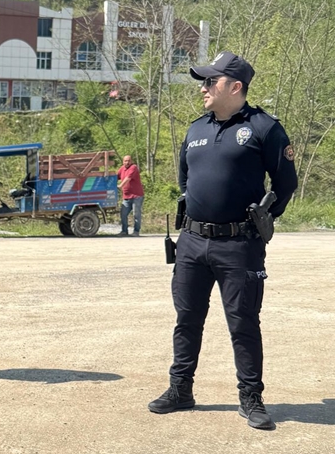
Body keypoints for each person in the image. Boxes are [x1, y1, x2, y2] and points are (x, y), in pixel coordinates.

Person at [149, 51, 298, 431]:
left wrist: (263, 219)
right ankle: (180, 389)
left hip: (239, 245)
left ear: (235, 87)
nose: (203, 88)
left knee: (243, 322)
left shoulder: (264, 128)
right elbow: (185, 179)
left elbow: (285, 183)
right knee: (187, 319)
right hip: (192, 242)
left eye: (210, 81)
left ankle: (251, 397)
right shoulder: (196, 129)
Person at [117, 154, 144, 235]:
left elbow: (127, 178)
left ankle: (136, 231)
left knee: (136, 214)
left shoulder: (133, 167)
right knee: (123, 213)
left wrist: (120, 186)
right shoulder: (122, 169)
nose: (127, 162)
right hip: (126, 197)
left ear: (131, 161)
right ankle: (124, 231)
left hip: (136, 196)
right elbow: (115, 177)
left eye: (129, 161)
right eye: (125, 161)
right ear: (123, 162)